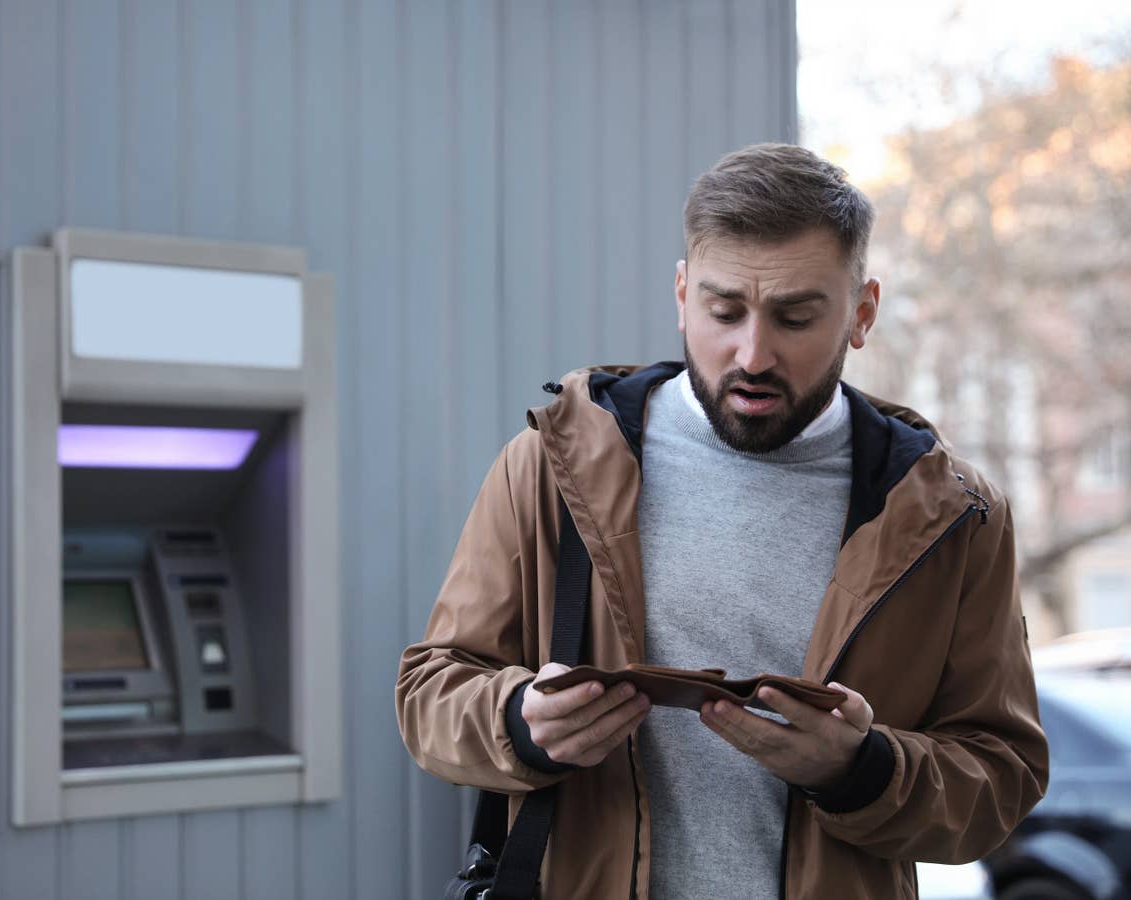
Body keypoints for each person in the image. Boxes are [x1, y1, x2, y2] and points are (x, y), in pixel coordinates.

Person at [396, 143, 1049, 899]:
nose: (754, 353)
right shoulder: (548, 466)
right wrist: (519, 723)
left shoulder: (953, 516)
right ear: (681, 295)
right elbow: (428, 694)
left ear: (862, 313)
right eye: (723, 310)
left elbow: (1002, 778)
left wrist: (860, 769)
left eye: (796, 317)